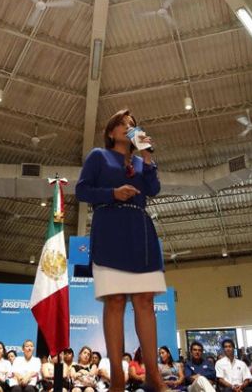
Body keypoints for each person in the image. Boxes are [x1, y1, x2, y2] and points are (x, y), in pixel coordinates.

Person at [76, 109, 164, 392]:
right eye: (125, 124)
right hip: (110, 230)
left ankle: (153, 376)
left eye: (133, 125)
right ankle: (117, 377)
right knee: (115, 301)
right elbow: (81, 191)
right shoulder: (98, 156)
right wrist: (112, 194)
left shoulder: (141, 162)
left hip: (141, 233)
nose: (130, 127)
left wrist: (148, 158)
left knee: (145, 301)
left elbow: (153, 189)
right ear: (112, 132)